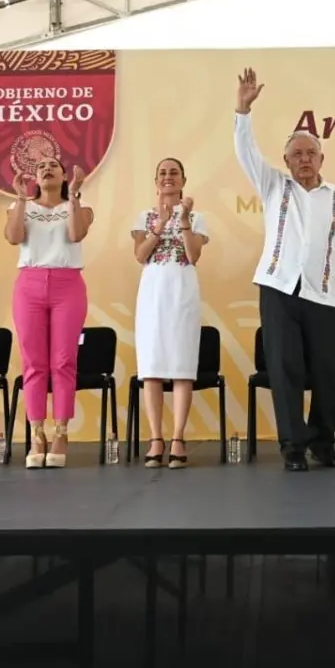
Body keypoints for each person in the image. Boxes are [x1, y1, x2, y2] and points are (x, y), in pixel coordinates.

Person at [234, 67, 335, 471]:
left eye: (311, 153)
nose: (304, 159)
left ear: (322, 159)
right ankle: (292, 447)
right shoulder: (273, 186)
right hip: (278, 290)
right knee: (284, 370)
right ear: (286, 160)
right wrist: (243, 112)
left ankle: (324, 443)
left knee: (325, 371)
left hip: (323, 294)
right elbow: (246, 152)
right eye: (296, 154)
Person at [4, 157, 92, 469]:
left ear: (65, 175)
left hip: (68, 285)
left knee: (64, 361)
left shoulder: (79, 206)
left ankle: (61, 432)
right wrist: (18, 198)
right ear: (35, 177)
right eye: (41, 166)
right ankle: (36, 433)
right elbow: (14, 238)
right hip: (29, 284)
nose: (47, 168)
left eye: (54, 164)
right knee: (33, 362)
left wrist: (76, 195)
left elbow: (77, 234)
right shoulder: (22, 207)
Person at [131, 158, 209, 469]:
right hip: (152, 295)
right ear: (155, 180)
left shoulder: (197, 217)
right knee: (151, 366)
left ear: (183, 179)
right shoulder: (144, 216)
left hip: (182, 292)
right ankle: (155, 438)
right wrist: (160, 226)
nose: (168, 177)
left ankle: (178, 437)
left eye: (174, 173)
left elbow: (193, 255)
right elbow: (140, 255)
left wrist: (184, 219)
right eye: (162, 173)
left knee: (181, 365)